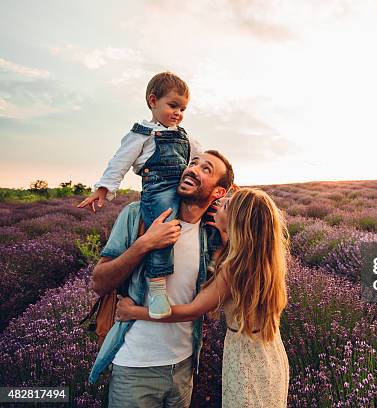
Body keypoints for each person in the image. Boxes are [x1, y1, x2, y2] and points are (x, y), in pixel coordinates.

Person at [116, 188, 290, 407]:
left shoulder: (233, 270)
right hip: (271, 355)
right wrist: (225, 232)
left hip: (246, 361)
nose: (220, 202)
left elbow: (192, 310)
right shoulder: (264, 263)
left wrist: (134, 312)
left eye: (227, 206)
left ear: (238, 222)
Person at [87, 151, 235, 408]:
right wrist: (144, 244)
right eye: (192, 163)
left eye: (206, 169)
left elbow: (209, 308)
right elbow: (99, 283)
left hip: (184, 367)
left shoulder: (209, 235)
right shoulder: (137, 215)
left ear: (219, 192)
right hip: (135, 366)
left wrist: (222, 250)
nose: (193, 169)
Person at [78, 71, 202, 319]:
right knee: (164, 229)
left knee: (212, 216)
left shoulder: (185, 135)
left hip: (182, 187)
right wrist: (103, 189)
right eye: (173, 105)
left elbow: (201, 160)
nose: (178, 113)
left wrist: (227, 183)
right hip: (159, 190)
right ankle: (157, 287)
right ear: (153, 101)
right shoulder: (142, 133)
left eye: (183, 108)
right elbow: (120, 161)